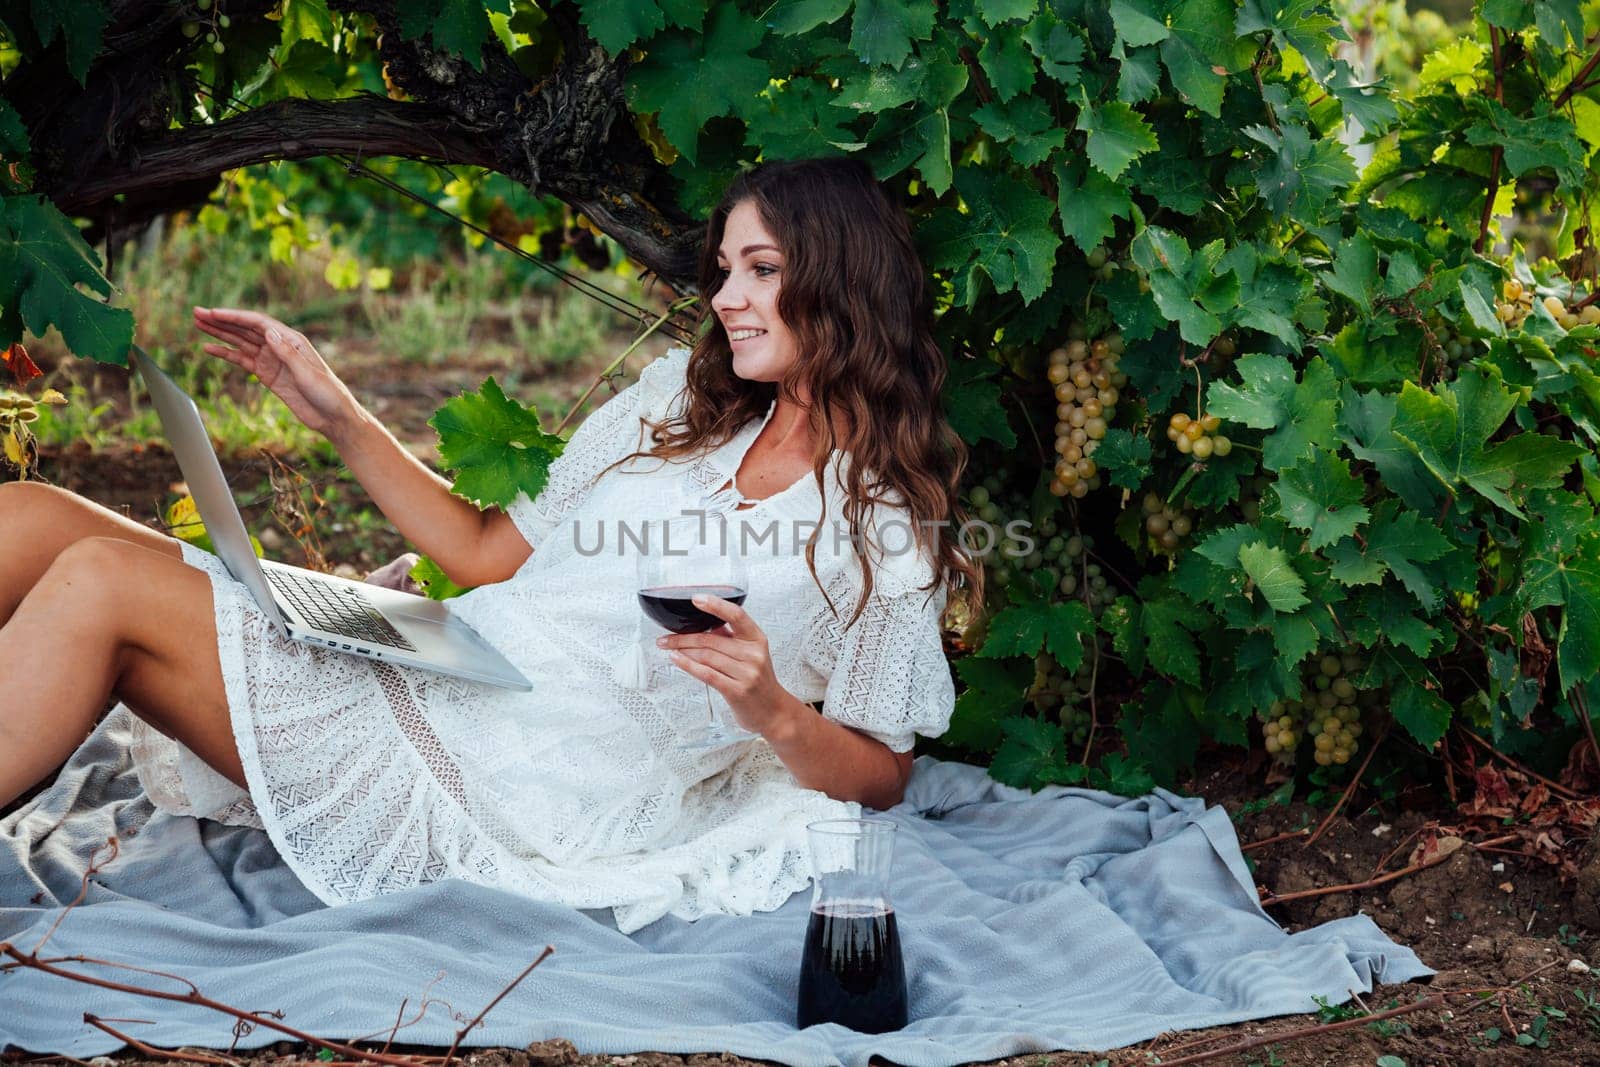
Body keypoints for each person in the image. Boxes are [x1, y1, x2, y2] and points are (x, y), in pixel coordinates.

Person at [0, 158, 980, 933]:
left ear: (841, 280)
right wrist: (332, 407)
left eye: (762, 269)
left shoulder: (879, 525)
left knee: (98, 579)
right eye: (724, 268)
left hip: (525, 770)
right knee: (35, 513)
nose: (727, 294)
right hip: (438, 647)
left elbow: (881, 769)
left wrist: (769, 706)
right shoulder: (675, 399)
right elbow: (481, 552)